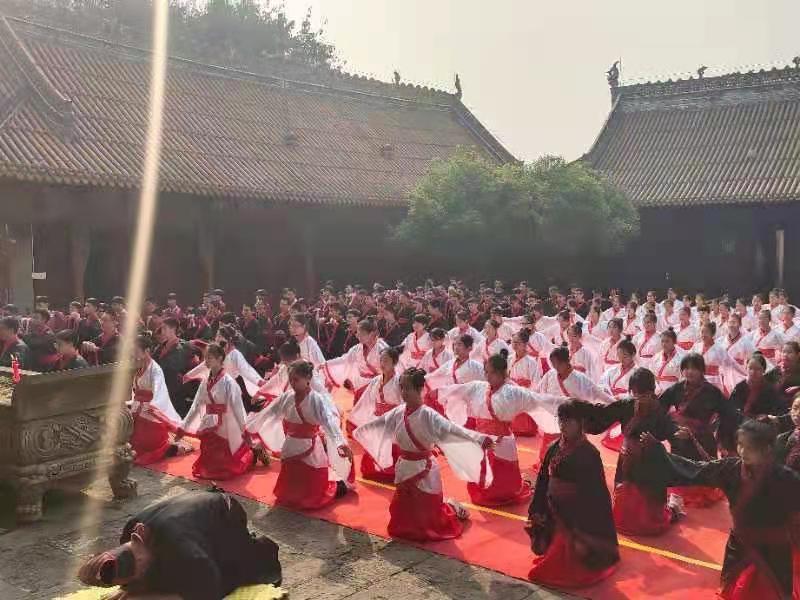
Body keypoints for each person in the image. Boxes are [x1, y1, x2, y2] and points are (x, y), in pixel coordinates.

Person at [661, 420, 800, 599]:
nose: (743, 451)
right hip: (740, 545)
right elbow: (697, 470)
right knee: (734, 591)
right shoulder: (731, 468)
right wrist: (657, 453)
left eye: (750, 448)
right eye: (741, 445)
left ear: (766, 449)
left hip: (773, 549)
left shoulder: (787, 479)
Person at [353, 367, 493, 541]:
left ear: (420, 389)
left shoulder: (428, 415)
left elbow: (453, 430)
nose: (403, 392)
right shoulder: (398, 411)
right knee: (403, 517)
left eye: (408, 388)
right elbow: (378, 424)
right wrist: (358, 431)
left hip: (424, 470)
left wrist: (480, 439)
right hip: (404, 467)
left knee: (427, 520)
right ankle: (446, 508)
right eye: (401, 387)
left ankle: (453, 508)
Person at [76, 490, 281, 600]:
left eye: (137, 566)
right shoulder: (130, 531)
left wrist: (150, 597)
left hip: (225, 515)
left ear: (140, 538)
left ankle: (258, 548)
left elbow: (209, 590)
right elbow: (133, 574)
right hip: (191, 509)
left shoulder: (183, 548)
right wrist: (129, 589)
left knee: (232, 572)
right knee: (164, 572)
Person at [437, 351, 561, 506]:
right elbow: (457, 390)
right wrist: (437, 392)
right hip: (482, 440)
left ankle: (502, 494)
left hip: (502, 441)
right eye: (486, 372)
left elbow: (540, 400)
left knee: (502, 478)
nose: (487, 376)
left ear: (502, 373)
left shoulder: (513, 392)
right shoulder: (478, 387)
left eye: (492, 373)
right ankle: (485, 492)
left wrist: (568, 405)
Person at [527, 400, 619, 588]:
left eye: (569, 421)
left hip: (576, 515)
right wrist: (536, 507)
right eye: (561, 420)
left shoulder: (589, 453)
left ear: (581, 423)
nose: (563, 425)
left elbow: (597, 492)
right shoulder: (553, 447)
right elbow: (543, 480)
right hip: (553, 508)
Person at [581, 368, 682, 535]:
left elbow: (670, 429)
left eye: (644, 395)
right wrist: (583, 413)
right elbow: (603, 415)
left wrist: (675, 434)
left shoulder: (659, 410)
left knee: (648, 510)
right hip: (627, 457)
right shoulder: (626, 405)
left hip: (651, 459)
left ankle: (670, 510)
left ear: (652, 392)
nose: (639, 399)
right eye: (635, 394)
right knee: (625, 498)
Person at [245, 361, 354, 510]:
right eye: (290, 380)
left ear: (308, 378)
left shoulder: (316, 399)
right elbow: (269, 412)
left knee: (314, 483)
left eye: (296, 380)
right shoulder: (287, 397)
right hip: (290, 445)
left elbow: (329, 423)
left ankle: (334, 488)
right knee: (291, 480)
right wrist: (250, 427)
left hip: (310, 447)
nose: (292, 383)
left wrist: (341, 443)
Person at [659, 353, 738, 508]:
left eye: (694, 368)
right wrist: (671, 429)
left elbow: (728, 414)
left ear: (702, 370)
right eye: (686, 368)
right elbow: (660, 407)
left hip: (702, 439)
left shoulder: (712, 391)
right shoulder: (676, 388)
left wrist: (723, 439)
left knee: (701, 479)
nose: (689, 372)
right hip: (679, 437)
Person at [175, 344, 253, 480]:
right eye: (205, 357)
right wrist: (183, 426)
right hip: (208, 422)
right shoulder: (205, 381)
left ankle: (251, 455)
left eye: (209, 358)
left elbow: (238, 407)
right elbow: (196, 405)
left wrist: (244, 429)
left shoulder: (229, 382)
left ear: (220, 358)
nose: (206, 361)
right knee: (207, 456)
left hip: (224, 425)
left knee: (224, 463)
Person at [537, 346, 613, 459]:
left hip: (572, 420)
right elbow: (540, 390)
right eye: (553, 364)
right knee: (550, 450)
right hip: (553, 416)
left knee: (572, 451)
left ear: (567, 361)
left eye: (558, 364)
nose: (555, 367)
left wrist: (614, 402)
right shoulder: (550, 374)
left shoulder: (580, 379)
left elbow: (597, 392)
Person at [347, 346, 403, 481]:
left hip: (393, 421)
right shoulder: (376, 380)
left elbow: (404, 404)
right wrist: (354, 418)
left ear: (394, 362)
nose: (382, 363)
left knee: (392, 445)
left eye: (386, 360)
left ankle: (392, 473)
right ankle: (373, 471)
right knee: (373, 441)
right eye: (381, 360)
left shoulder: (400, 382)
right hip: (377, 419)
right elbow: (366, 401)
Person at [129, 334, 185, 465]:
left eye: (136, 350)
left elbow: (160, 393)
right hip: (137, 409)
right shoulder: (138, 366)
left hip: (150, 412)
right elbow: (135, 390)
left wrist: (152, 407)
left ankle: (171, 448)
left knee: (144, 445)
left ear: (147, 351)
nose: (133, 353)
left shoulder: (155, 370)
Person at [184, 325, 265, 399]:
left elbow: (245, 370)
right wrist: (191, 374)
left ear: (228, 339)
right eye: (217, 336)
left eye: (220, 336)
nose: (217, 338)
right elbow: (205, 364)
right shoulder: (217, 352)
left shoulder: (235, 354)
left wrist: (259, 382)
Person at [320, 318, 388, 395]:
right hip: (361, 384)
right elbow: (344, 359)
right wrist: (327, 364)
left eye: (361, 334)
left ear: (371, 334)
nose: (358, 336)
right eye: (357, 334)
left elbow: (391, 370)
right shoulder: (357, 348)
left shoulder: (382, 349)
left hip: (378, 385)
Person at [423, 334, 486, 414]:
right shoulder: (450, 364)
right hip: (450, 402)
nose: (456, 347)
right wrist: (421, 378)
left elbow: (485, 384)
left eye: (459, 344)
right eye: (455, 344)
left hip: (466, 405)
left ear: (469, 348)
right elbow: (434, 376)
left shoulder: (476, 367)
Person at [729, 353, 785, 426]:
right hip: (740, 421)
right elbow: (732, 406)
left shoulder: (769, 389)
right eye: (750, 368)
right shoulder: (740, 387)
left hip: (760, 425)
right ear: (746, 368)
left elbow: (779, 409)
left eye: (758, 369)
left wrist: (767, 417)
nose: (753, 372)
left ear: (764, 370)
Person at [153, 317, 194, 416]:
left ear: (173, 329)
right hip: (162, 386)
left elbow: (177, 366)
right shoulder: (161, 346)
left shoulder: (184, 346)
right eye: (162, 328)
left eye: (165, 328)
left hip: (175, 389)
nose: (162, 331)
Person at [691, 321, 745, 394]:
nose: (703, 335)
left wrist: (744, 373)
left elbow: (731, 363)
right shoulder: (696, 346)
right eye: (702, 332)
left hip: (713, 381)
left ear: (712, 334)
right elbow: (687, 359)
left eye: (706, 332)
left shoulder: (719, 349)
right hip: (697, 379)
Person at [508, 328, 544, 436]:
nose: (514, 345)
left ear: (525, 344)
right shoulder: (509, 358)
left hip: (526, 392)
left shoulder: (531, 362)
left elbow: (536, 381)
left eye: (517, 342)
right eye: (513, 342)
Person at [651, 327, 686, 394]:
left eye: (667, 341)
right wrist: (657, 388)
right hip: (657, 389)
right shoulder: (656, 357)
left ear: (674, 342)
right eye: (662, 341)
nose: (664, 344)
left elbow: (683, 378)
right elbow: (652, 375)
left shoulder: (681, 358)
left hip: (673, 390)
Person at [767, 341, 800, 405]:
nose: (785, 355)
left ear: (798, 355)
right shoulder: (777, 369)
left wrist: (798, 388)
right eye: (783, 352)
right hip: (774, 405)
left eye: (789, 352)